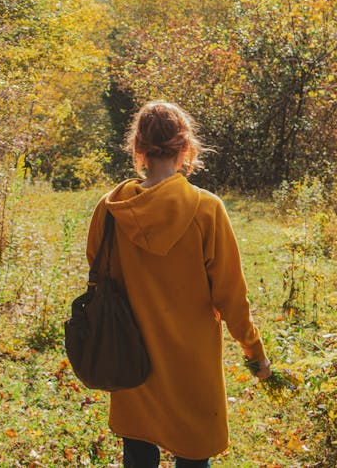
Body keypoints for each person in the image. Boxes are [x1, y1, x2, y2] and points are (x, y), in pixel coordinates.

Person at [86, 101, 271, 467]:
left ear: (137, 148)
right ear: (186, 147)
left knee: (138, 451)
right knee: (193, 453)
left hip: (130, 355)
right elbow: (231, 296)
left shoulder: (111, 210)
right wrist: (255, 352)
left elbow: (98, 271)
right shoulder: (206, 209)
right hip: (191, 364)